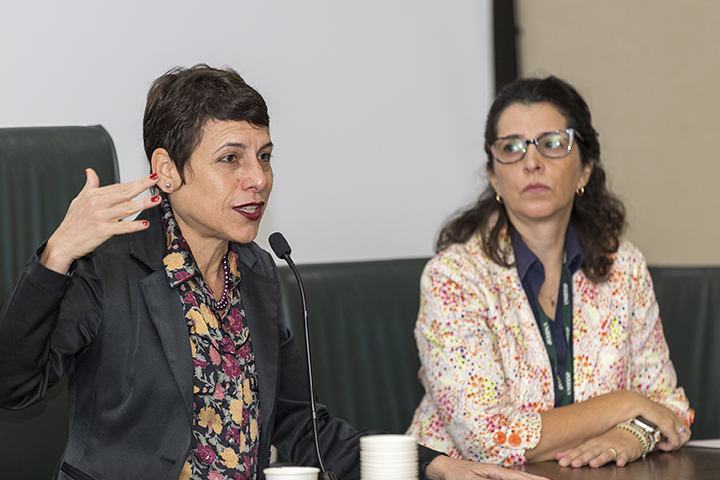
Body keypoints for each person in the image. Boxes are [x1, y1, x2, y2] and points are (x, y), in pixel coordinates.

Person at [0, 65, 544, 480]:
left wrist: (436, 465)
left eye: (265, 155)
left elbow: (296, 424)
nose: (258, 179)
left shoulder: (259, 272)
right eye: (231, 158)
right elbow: (14, 386)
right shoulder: (109, 265)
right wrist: (58, 255)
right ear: (166, 170)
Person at [407, 76, 693, 469]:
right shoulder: (453, 277)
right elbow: (488, 439)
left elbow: (669, 406)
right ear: (494, 177)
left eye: (553, 143)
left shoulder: (623, 268)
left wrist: (632, 432)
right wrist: (623, 405)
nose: (531, 162)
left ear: (585, 169)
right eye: (511, 148)